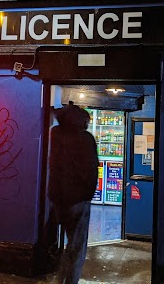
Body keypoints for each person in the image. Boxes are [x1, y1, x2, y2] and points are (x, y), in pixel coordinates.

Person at [48, 102, 99, 284]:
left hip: (57, 199)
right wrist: (88, 194)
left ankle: (59, 277)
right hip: (78, 200)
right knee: (77, 246)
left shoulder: (55, 134)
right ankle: (70, 281)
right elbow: (91, 170)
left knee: (62, 241)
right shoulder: (86, 139)